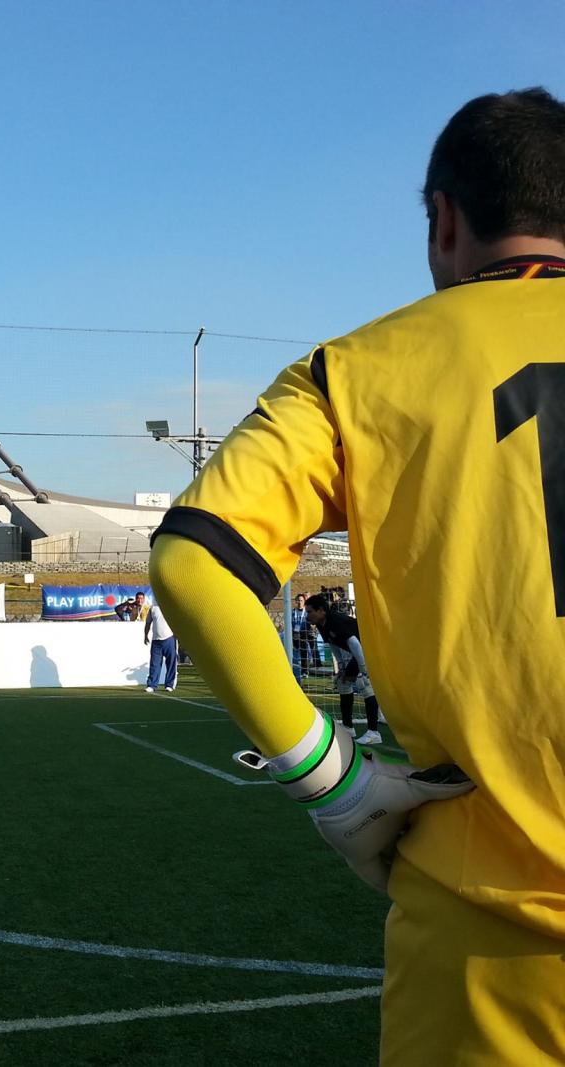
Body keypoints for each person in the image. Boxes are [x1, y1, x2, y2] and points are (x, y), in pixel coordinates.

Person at [150, 88, 565, 1065]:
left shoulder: (356, 370)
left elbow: (193, 559)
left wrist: (327, 776)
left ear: (442, 218)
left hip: (487, 938)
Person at [303, 593, 382, 744]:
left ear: (321, 611)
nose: (307, 616)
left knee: (365, 685)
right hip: (356, 650)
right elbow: (333, 643)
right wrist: (341, 666)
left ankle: (374, 732)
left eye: (309, 612)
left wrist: (364, 669)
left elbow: (355, 644)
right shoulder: (320, 623)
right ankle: (348, 727)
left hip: (368, 647)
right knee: (343, 682)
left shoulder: (335, 621)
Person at [143, 603, 177, 692]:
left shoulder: (171, 607)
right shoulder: (153, 608)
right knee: (154, 664)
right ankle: (152, 685)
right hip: (156, 640)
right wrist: (145, 635)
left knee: (171, 663)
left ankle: (169, 684)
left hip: (169, 638)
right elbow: (148, 623)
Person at [290, 592, 312, 681]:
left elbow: (309, 624)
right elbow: (290, 623)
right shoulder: (292, 612)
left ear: (304, 601)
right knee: (294, 653)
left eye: (301, 600)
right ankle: (294, 670)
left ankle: (305, 671)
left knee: (304, 654)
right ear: (296, 601)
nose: (300, 602)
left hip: (303, 635)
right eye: (298, 600)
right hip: (294, 634)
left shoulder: (306, 612)